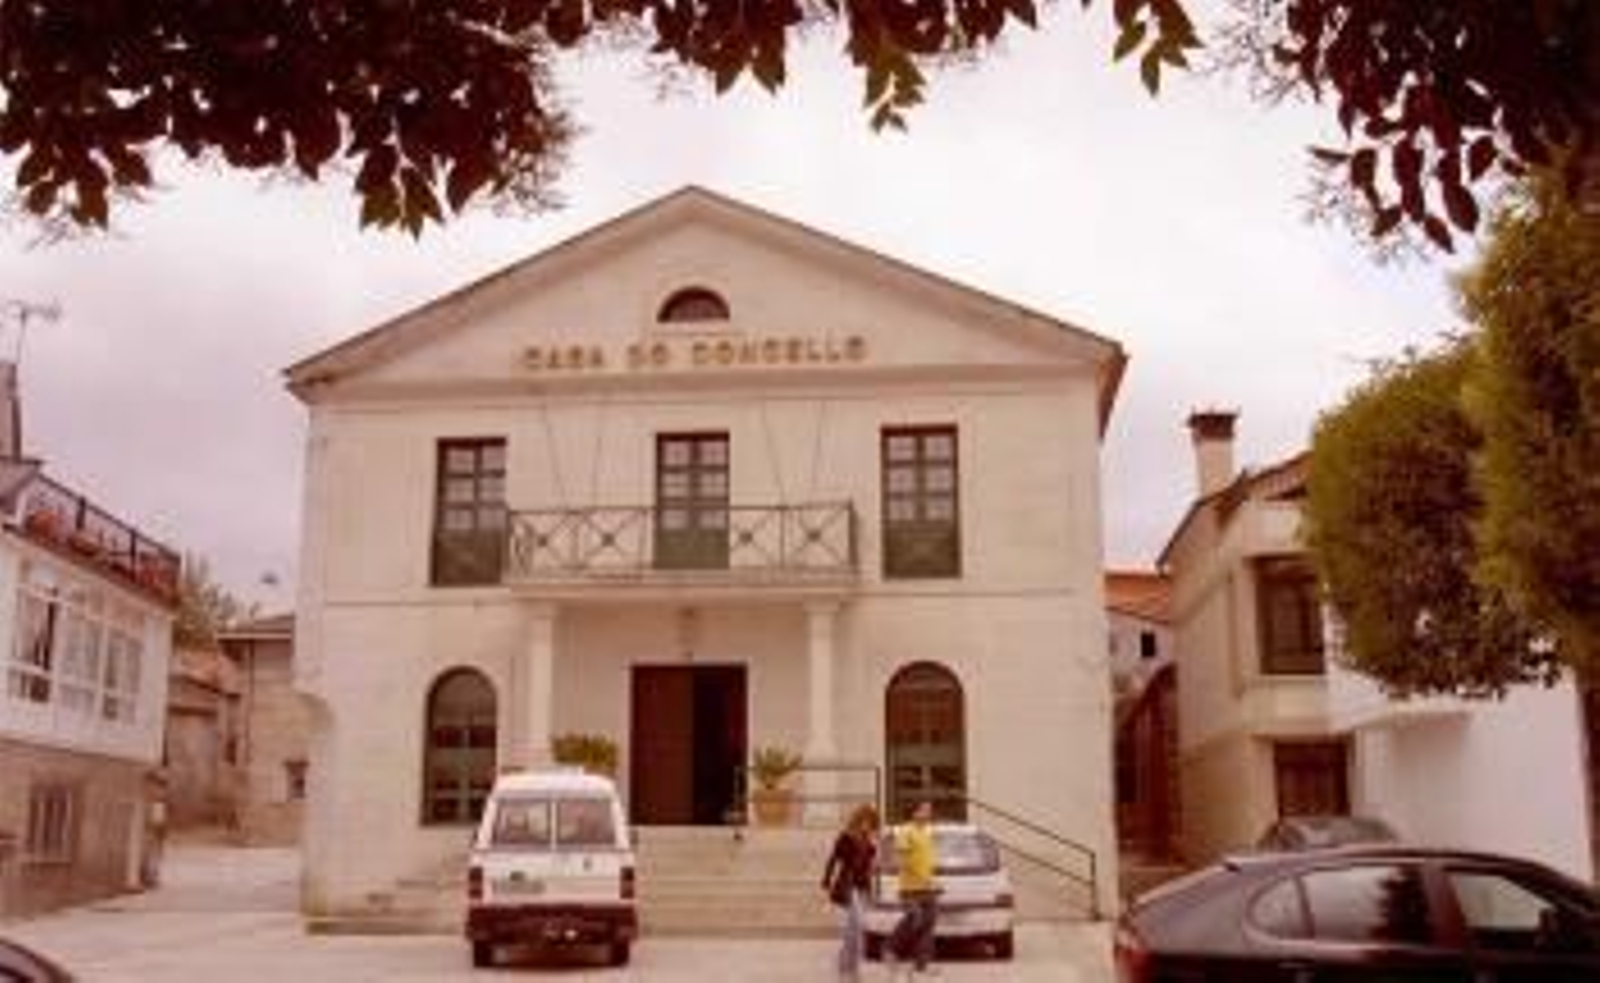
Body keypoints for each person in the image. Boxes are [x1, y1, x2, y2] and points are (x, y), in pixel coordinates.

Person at [821, 804, 880, 981]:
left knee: (858, 929)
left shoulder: (869, 842)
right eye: (864, 821)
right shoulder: (846, 837)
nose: (867, 826)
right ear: (858, 820)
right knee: (852, 928)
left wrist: (871, 891)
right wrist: (826, 882)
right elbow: (833, 860)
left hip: (861, 888)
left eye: (870, 823)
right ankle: (847, 968)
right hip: (847, 887)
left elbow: (869, 869)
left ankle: (849, 967)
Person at [886, 800, 940, 978]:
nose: (928, 814)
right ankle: (890, 949)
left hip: (928, 888)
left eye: (929, 811)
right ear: (914, 813)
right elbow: (902, 861)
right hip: (910, 888)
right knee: (914, 919)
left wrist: (933, 880)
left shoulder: (926, 833)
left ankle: (920, 967)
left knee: (928, 926)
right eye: (925, 810)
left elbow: (926, 861)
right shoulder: (905, 832)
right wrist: (923, 878)